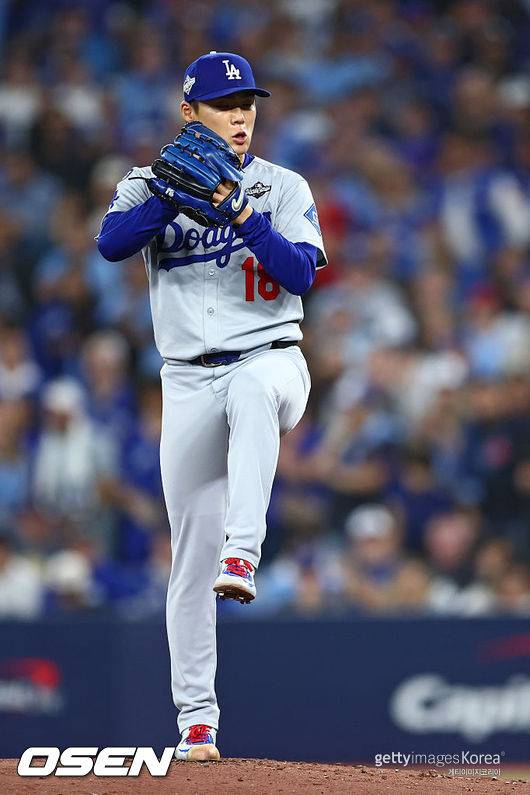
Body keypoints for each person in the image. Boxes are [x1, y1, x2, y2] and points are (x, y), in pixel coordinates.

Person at [97, 51, 326, 761]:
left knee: (254, 390)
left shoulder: (282, 186)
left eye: (247, 103)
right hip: (188, 381)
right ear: (188, 112)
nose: (240, 115)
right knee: (190, 559)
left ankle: (246, 551)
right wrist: (170, 197)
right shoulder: (145, 183)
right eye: (225, 104)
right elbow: (111, 244)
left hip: (272, 359)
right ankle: (197, 723)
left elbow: (300, 273)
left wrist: (243, 214)